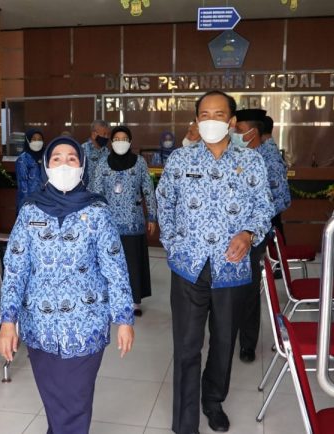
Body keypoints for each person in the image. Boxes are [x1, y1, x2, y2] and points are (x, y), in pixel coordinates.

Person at [0, 136, 135, 434]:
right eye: (56, 158)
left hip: (86, 323)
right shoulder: (31, 211)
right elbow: (16, 269)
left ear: (82, 166)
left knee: (75, 401)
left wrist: (124, 319)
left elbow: (115, 269)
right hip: (39, 324)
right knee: (54, 400)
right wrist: (8, 321)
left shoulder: (97, 211)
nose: (64, 164)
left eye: (71, 158)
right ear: (47, 166)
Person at [156, 90, 273, 434]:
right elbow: (164, 203)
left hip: (231, 268)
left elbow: (264, 206)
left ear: (231, 121)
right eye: (204, 115)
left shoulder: (251, 161)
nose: (210, 121)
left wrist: (249, 233)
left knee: (223, 342)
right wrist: (173, 245)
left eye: (218, 114)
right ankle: (185, 421)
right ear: (196, 120)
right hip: (188, 267)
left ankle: (213, 400)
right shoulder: (180, 160)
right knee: (187, 345)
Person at [231, 110, 291, 363]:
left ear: (252, 132)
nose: (234, 132)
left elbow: (282, 199)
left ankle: (247, 343)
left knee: (247, 290)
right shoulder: (236, 155)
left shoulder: (268, 158)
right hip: (227, 235)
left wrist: (253, 222)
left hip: (252, 237)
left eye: (238, 128)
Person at [89, 125, 157, 316]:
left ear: (130, 142)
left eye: (124, 139)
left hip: (134, 222)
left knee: (132, 263)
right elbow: (96, 192)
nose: (120, 142)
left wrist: (152, 216)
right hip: (108, 225)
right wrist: (94, 219)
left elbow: (148, 189)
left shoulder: (139, 162)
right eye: (116, 139)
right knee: (110, 262)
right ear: (111, 142)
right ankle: (110, 299)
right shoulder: (103, 163)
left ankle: (134, 302)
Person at [15, 128, 46, 212]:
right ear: (28, 140)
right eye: (34, 139)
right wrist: (27, 204)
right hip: (30, 202)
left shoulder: (46, 156)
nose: (37, 142)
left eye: (39, 139)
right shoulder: (23, 159)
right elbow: (22, 185)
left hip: (46, 201)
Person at [80, 119, 110, 184]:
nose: (106, 137)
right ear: (94, 134)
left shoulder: (107, 152)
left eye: (108, 134)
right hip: (87, 189)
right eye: (104, 134)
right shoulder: (83, 150)